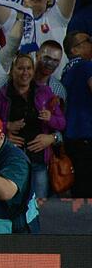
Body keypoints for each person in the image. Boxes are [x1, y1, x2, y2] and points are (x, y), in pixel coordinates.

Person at [0, 54, 65, 201]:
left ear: (33, 71)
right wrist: (6, 128)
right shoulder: (2, 94)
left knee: (40, 206)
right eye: (20, 68)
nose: (25, 73)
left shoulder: (45, 92)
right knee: (13, 203)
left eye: (28, 68)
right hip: (12, 159)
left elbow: (62, 123)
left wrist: (50, 123)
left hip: (38, 160)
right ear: (12, 70)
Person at [59, 31, 92, 198]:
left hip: (71, 138)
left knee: (80, 191)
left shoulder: (66, 71)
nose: (91, 43)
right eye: (88, 41)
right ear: (75, 50)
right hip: (87, 136)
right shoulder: (86, 66)